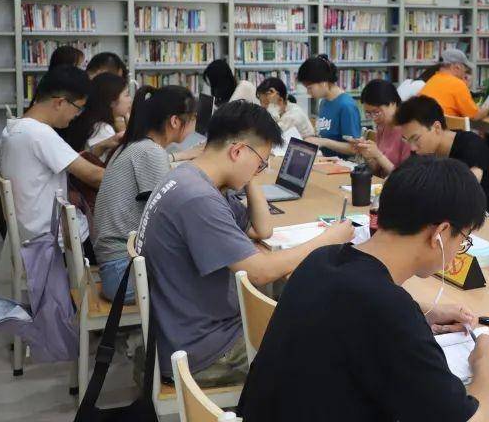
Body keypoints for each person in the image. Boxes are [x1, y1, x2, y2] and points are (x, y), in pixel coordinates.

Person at [236, 156, 489, 422]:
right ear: (439, 233)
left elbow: (356, 312)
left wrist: (421, 315)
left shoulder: (322, 260)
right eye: (463, 240)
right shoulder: (389, 311)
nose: (459, 249)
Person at [135, 100, 354, 387]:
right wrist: (327, 240)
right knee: (334, 350)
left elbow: (261, 229)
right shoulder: (198, 198)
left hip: (184, 329)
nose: (260, 170)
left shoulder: (191, 177)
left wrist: (249, 177)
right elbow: (260, 271)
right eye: (261, 162)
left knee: (309, 318)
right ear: (237, 151)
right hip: (204, 351)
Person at [93, 85, 198, 302]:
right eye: (193, 118)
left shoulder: (135, 146)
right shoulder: (150, 152)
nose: (195, 123)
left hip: (116, 266)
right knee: (212, 274)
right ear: (175, 121)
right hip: (123, 273)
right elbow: (170, 217)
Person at [0, 66, 105, 242]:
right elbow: (94, 176)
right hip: (55, 239)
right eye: (78, 108)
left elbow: (67, 160)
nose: (77, 115)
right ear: (60, 103)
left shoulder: (14, 128)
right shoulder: (40, 134)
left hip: (29, 233)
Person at [394, 95, 489, 223]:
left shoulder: (471, 146)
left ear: (436, 128)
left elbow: (464, 194)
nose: (412, 147)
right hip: (452, 223)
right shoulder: (423, 151)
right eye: (407, 140)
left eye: (415, 139)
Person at [297, 55, 361, 158]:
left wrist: (323, 142)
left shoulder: (346, 106)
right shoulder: (324, 102)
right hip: (324, 159)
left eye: (310, 88)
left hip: (342, 163)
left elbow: (353, 149)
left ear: (323, 83)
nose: (308, 93)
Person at [62, 72, 132, 161]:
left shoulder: (89, 121)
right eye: (127, 95)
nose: (130, 99)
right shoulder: (103, 129)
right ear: (112, 101)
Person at [350, 79, 411, 175]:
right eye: (369, 113)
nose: (374, 118)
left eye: (376, 112)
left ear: (393, 103)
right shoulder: (382, 126)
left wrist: (378, 155)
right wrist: (367, 155)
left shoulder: (409, 130)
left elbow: (404, 177)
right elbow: (377, 169)